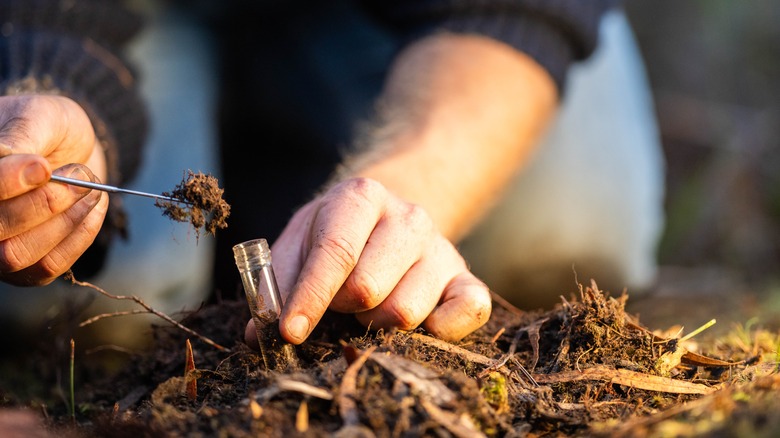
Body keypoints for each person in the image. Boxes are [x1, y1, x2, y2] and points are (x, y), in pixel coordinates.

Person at [0, 0, 662, 348]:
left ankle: (290, 173)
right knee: (79, 304)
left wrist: (407, 185)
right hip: (134, 16)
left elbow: (511, 10)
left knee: (564, 227)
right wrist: (55, 87)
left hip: (377, 16)